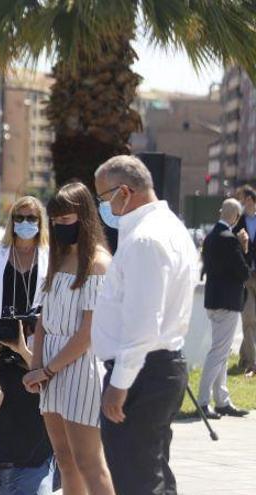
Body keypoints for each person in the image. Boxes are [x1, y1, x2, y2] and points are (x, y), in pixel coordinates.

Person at [91, 155, 199, 494]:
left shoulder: (145, 239)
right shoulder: (168, 228)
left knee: (134, 480)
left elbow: (143, 323)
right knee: (150, 472)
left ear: (125, 191)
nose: (103, 206)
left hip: (143, 372)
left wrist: (119, 384)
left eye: (104, 198)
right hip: (155, 368)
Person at [22, 182, 115, 495]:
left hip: (80, 368)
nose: (60, 226)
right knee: (64, 460)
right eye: (56, 220)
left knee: (89, 461)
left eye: (66, 219)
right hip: (50, 364)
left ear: (83, 217)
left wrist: (46, 370)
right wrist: (35, 367)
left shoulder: (98, 264)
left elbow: (87, 333)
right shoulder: (58, 259)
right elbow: (44, 319)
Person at [0, 196, 55, 493]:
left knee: (35, 410)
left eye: (32, 218)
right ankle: (1, 472)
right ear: (12, 220)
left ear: (41, 222)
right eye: (20, 217)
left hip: (33, 346)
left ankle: (38, 471)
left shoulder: (49, 255)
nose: (26, 223)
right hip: (0, 345)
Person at [198, 198, 250, 418]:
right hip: (228, 302)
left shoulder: (210, 237)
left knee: (220, 351)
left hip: (213, 300)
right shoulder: (230, 240)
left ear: (221, 212)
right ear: (236, 217)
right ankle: (203, 400)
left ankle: (222, 400)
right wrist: (243, 247)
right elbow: (243, 272)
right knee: (218, 353)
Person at [233, 185, 256, 376]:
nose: (244, 203)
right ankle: (252, 363)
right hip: (246, 276)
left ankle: (244, 356)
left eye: (247, 200)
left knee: (253, 321)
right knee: (248, 317)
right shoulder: (238, 222)